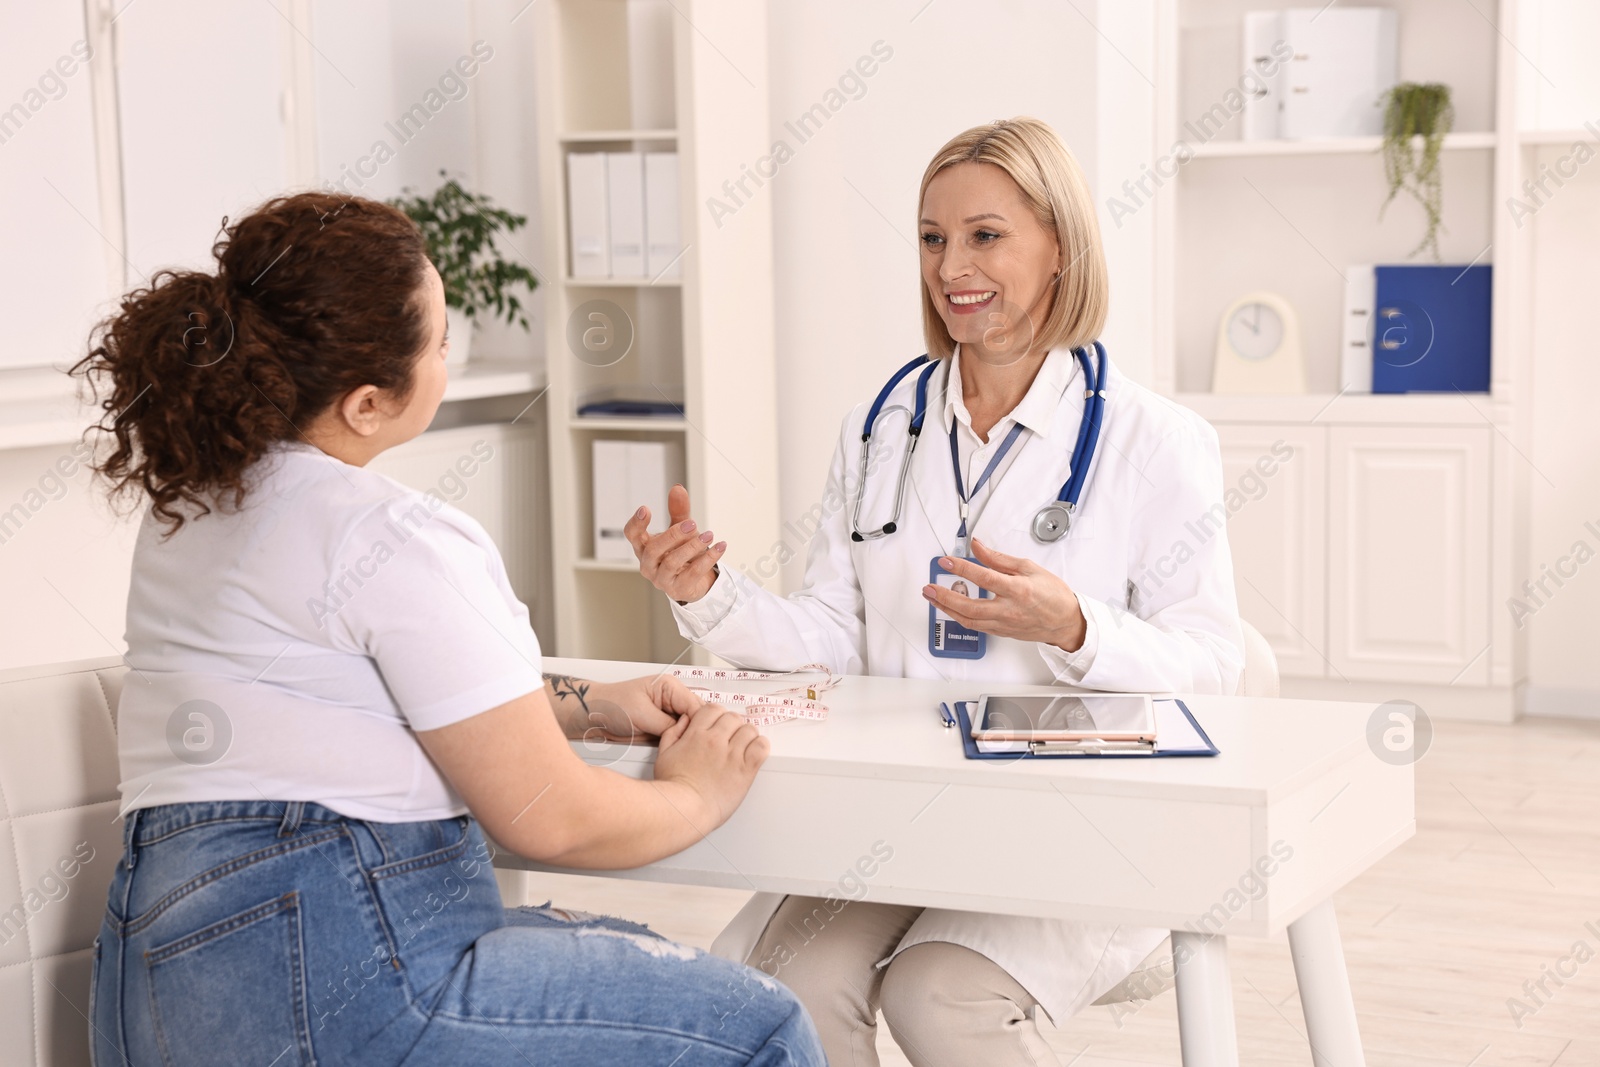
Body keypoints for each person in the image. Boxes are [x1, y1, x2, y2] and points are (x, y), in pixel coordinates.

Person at [74, 192, 824, 1067]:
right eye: (436, 340)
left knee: (614, 947)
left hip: (155, 998)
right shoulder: (390, 534)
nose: (447, 353)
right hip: (337, 989)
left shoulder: (189, 512)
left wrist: (580, 703)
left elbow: (347, 707)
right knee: (759, 1023)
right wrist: (699, 791)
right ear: (365, 403)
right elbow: (555, 820)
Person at [626, 117, 1244, 1067]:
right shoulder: (881, 429)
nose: (952, 263)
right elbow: (834, 636)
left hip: (1080, 815)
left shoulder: (1153, 440)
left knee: (938, 991)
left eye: (985, 235)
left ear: (1062, 249)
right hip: (904, 811)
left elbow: (1213, 665)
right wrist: (710, 593)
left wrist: (1073, 626)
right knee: (789, 978)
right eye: (932, 237)